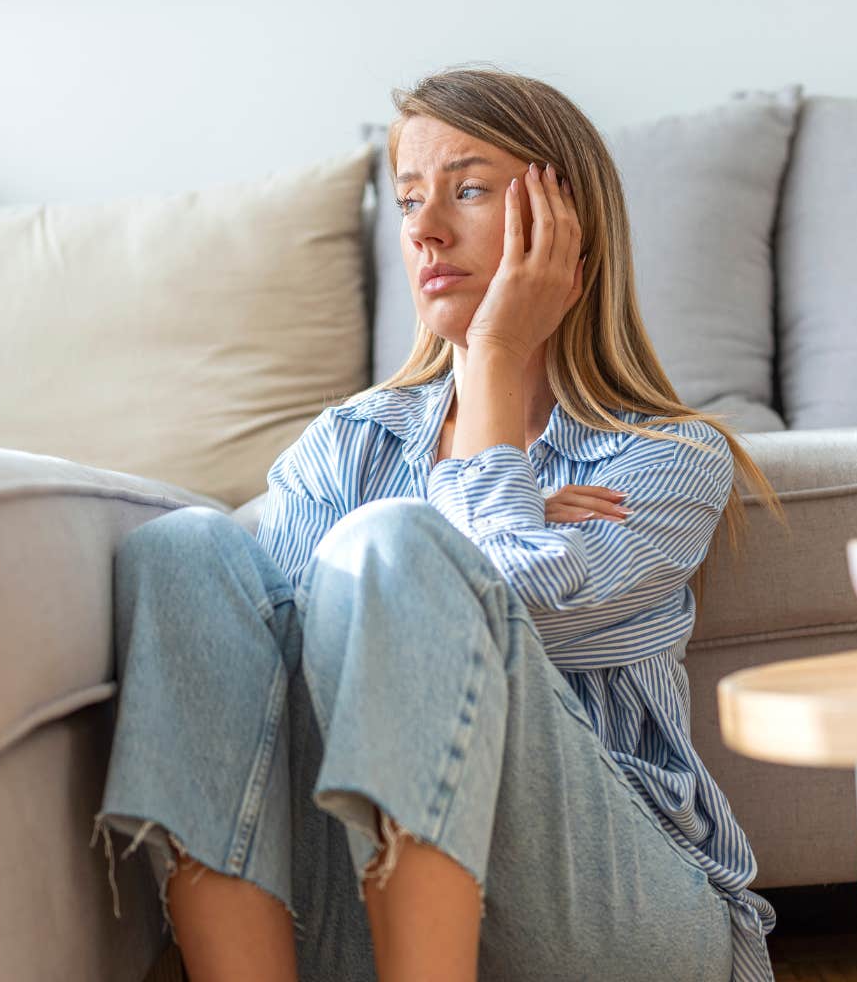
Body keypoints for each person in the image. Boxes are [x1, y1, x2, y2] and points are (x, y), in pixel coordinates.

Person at [93, 66, 788, 982]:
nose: (423, 230)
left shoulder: (664, 459)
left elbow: (501, 616)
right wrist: (490, 508)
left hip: (617, 927)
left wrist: (494, 361)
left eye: (467, 191)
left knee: (393, 547)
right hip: (351, 916)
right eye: (411, 199)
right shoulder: (349, 440)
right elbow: (276, 676)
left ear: (566, 228)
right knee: (180, 549)